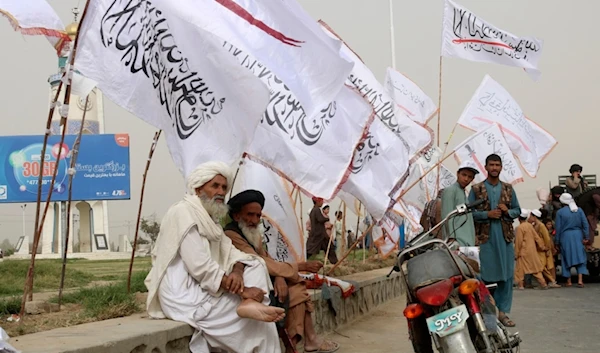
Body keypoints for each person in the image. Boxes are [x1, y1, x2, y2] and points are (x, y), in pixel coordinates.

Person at [144, 162, 284, 353]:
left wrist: (237, 270)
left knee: (255, 264)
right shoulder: (183, 212)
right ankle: (251, 311)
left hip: (207, 287)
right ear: (198, 188)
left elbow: (235, 253)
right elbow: (200, 267)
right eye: (215, 186)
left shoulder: (210, 219)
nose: (221, 192)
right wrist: (242, 291)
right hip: (183, 294)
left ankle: (250, 306)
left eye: (224, 187)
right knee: (260, 325)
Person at [224, 190, 340, 353]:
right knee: (297, 287)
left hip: (263, 280)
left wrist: (279, 276)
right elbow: (259, 261)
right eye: (250, 215)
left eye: (258, 216)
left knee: (296, 287)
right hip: (245, 288)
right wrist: (300, 266)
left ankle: (297, 343)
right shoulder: (231, 234)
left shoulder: (252, 234)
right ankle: (300, 343)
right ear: (237, 216)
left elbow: (268, 259)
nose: (255, 220)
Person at [468, 154, 520, 328]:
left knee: (506, 276)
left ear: (501, 167)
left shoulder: (508, 189)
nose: (495, 168)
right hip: (485, 240)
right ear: (486, 167)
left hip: (505, 239)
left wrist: (508, 212)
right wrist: (486, 215)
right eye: (491, 165)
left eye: (497, 165)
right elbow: (469, 214)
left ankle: (503, 314)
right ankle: (488, 315)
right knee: (486, 277)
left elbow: (517, 210)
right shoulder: (476, 189)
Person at [555, 193, 590, 288]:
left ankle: (569, 281)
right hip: (578, 235)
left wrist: (557, 241)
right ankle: (580, 280)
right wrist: (586, 237)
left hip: (565, 237)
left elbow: (558, 228)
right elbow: (585, 224)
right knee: (580, 257)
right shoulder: (579, 210)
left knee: (566, 258)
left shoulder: (560, 212)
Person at [441, 161, 479, 246]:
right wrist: (450, 238)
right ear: (458, 174)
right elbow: (447, 216)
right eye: (464, 175)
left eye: (469, 177)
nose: (466, 179)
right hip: (456, 242)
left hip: (466, 242)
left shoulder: (463, 193)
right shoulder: (450, 190)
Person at [514, 209, 548, 290]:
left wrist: (516, 253)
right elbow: (537, 237)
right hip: (532, 250)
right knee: (535, 268)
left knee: (520, 269)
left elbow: (519, 241)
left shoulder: (519, 228)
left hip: (523, 251)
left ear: (519, 218)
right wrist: (542, 246)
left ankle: (521, 285)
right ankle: (543, 283)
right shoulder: (530, 226)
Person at [530, 209, 561, 288]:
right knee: (541, 267)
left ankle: (551, 281)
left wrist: (547, 248)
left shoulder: (541, 225)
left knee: (541, 266)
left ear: (534, 216)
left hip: (543, 250)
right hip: (538, 249)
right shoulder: (535, 225)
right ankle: (550, 281)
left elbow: (547, 238)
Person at [306, 197, 338, 264]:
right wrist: (326, 219)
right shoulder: (316, 210)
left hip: (319, 234)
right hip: (318, 234)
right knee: (312, 250)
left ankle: (334, 262)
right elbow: (320, 219)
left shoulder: (314, 210)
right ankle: (306, 261)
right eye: (321, 201)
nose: (322, 203)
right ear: (317, 202)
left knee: (329, 248)